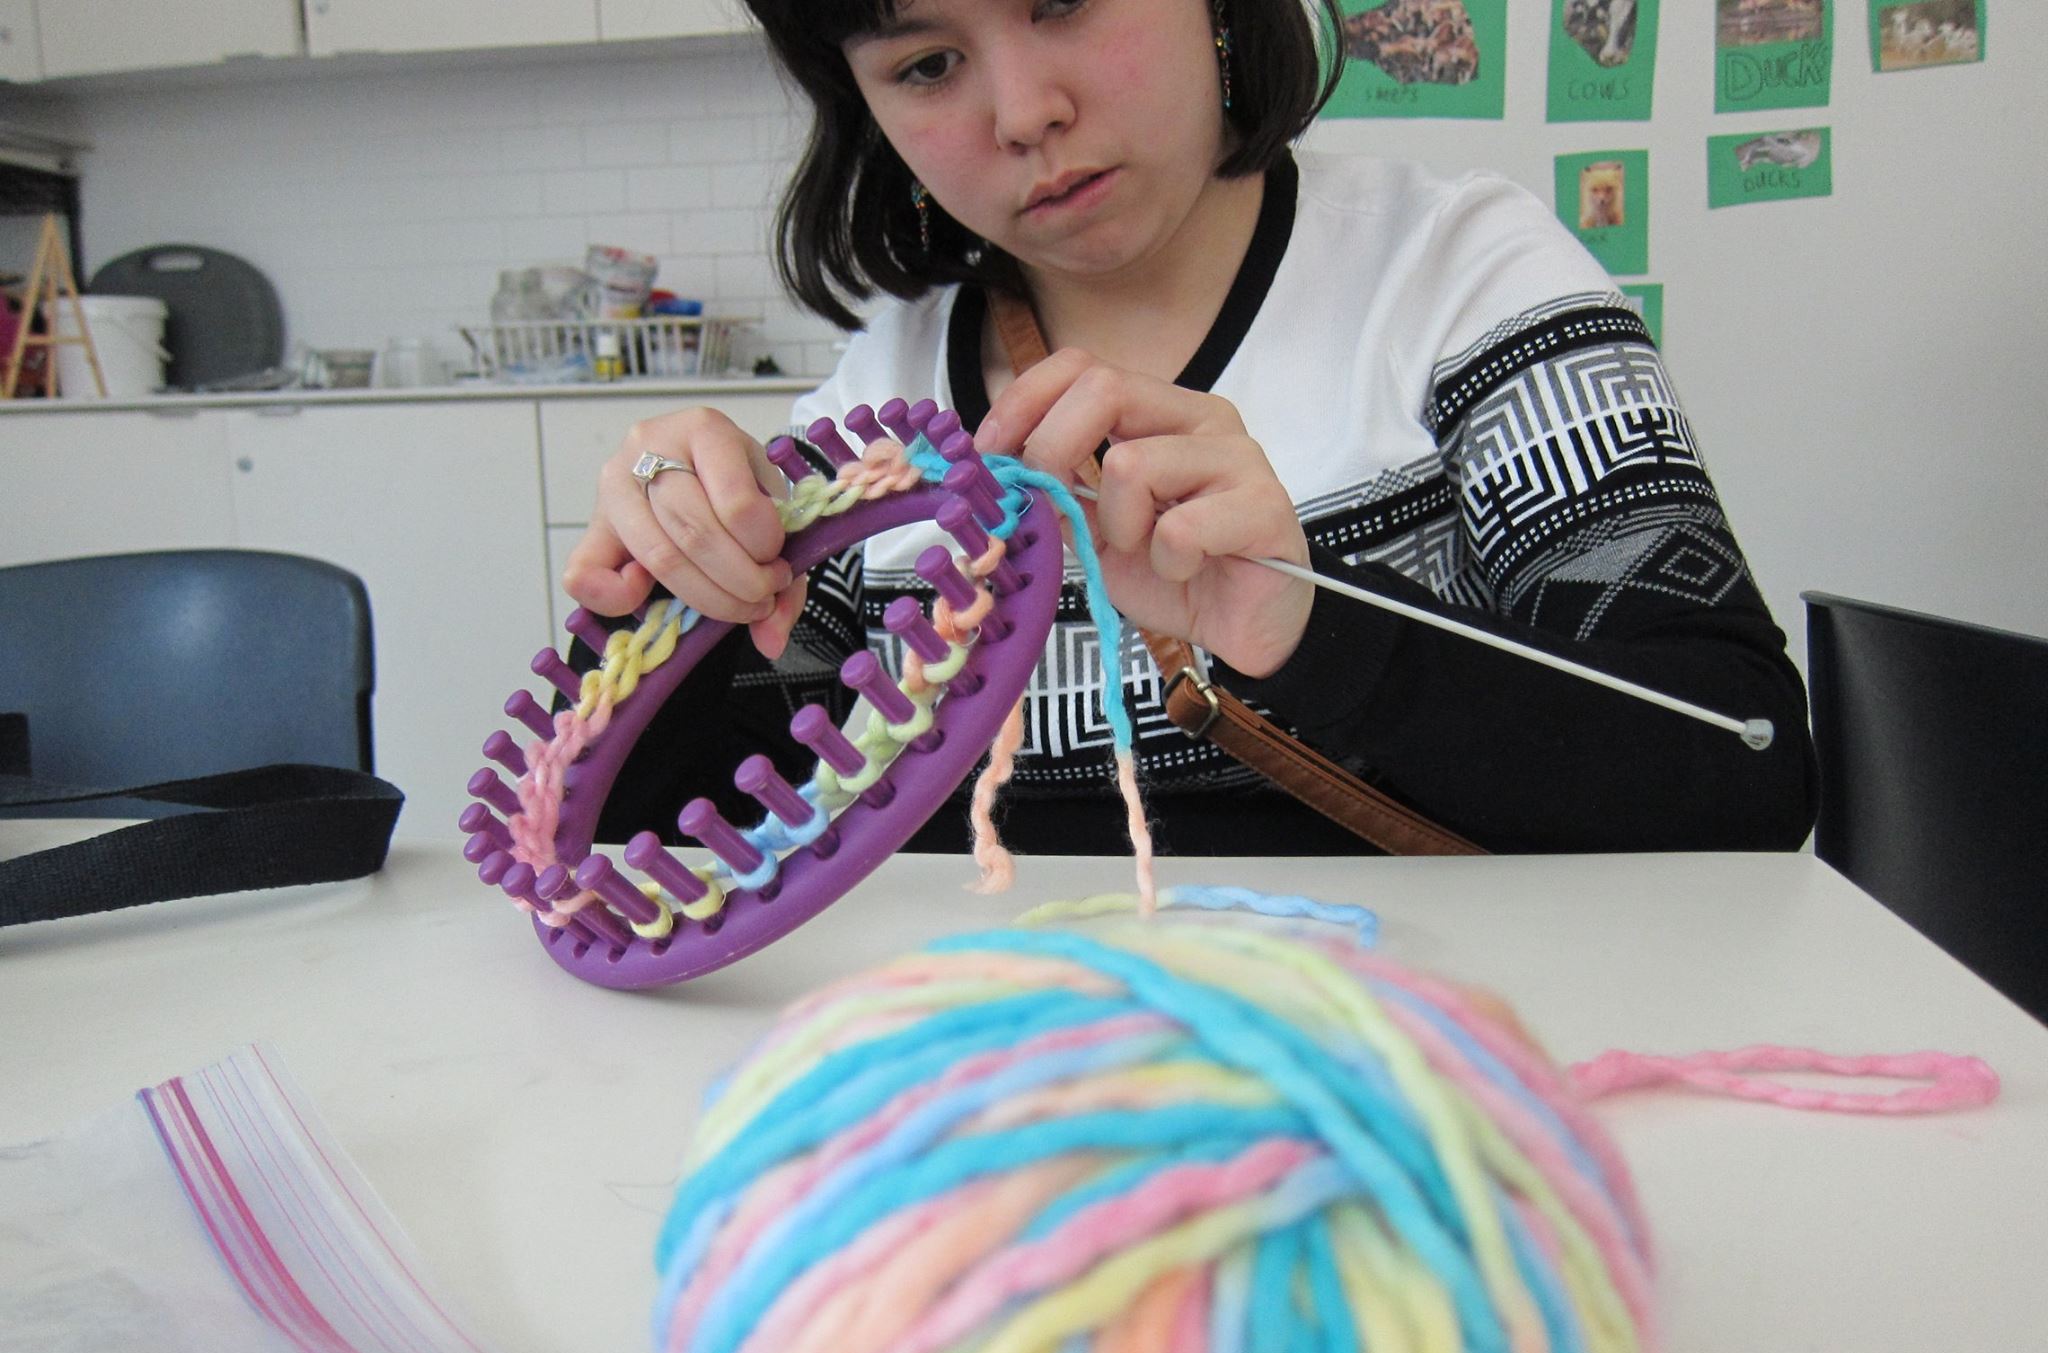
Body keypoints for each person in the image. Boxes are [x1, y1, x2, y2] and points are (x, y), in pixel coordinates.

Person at [563, 0, 1817, 857]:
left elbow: (1742, 769)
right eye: (925, 62)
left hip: (1397, 1099)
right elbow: (695, 842)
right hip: (995, 1124)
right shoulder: (875, 394)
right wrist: (667, 598)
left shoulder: (1455, 280)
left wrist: (1314, 623)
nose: (1021, 112)